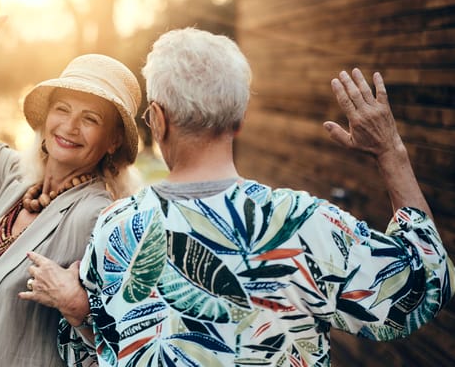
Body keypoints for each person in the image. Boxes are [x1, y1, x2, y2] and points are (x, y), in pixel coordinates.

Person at [24, 28, 455, 366]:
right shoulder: (304, 224)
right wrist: (391, 152)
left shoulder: (117, 228)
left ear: (157, 119)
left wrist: (78, 310)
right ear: (239, 121)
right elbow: (425, 288)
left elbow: (91, 355)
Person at [0, 0, 142, 366]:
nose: (69, 127)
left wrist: (77, 304)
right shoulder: (17, 178)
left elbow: (126, 338)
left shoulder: (99, 216)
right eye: (62, 109)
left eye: (90, 118)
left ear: (113, 141)